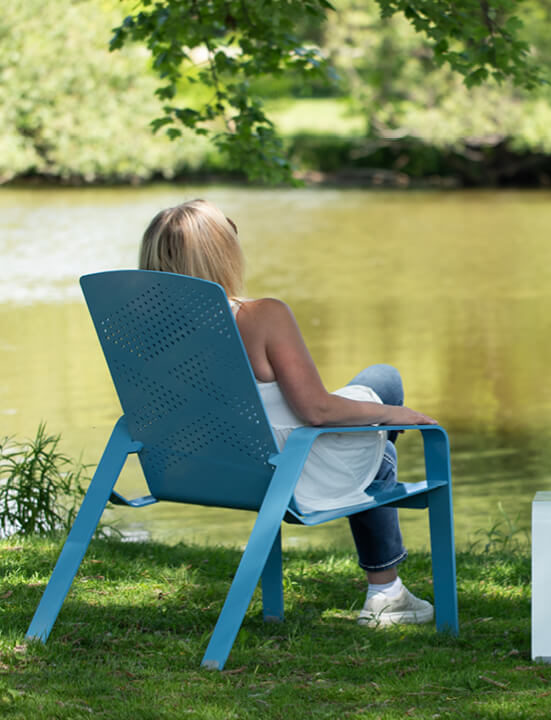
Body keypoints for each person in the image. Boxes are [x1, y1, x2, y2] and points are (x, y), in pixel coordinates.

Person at [139, 199, 440, 628]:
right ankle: (385, 588)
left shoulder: (147, 332)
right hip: (287, 472)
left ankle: (386, 581)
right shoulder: (262, 316)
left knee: (371, 418)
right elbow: (317, 410)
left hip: (206, 470)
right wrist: (394, 414)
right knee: (384, 389)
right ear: (221, 253)